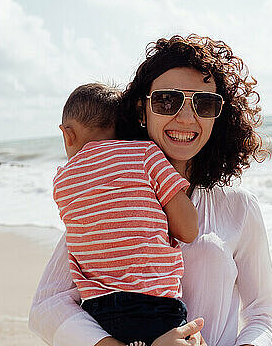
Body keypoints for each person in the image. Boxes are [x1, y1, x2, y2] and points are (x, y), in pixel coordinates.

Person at [29, 34, 272, 346]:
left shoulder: (239, 207)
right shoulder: (103, 196)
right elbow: (47, 305)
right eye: (167, 100)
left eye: (204, 104)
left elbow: (264, 311)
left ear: (220, 116)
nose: (187, 117)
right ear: (141, 110)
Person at [54, 82, 199, 346]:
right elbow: (188, 230)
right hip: (156, 307)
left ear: (67, 135)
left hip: (100, 315)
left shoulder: (62, 181)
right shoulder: (144, 154)